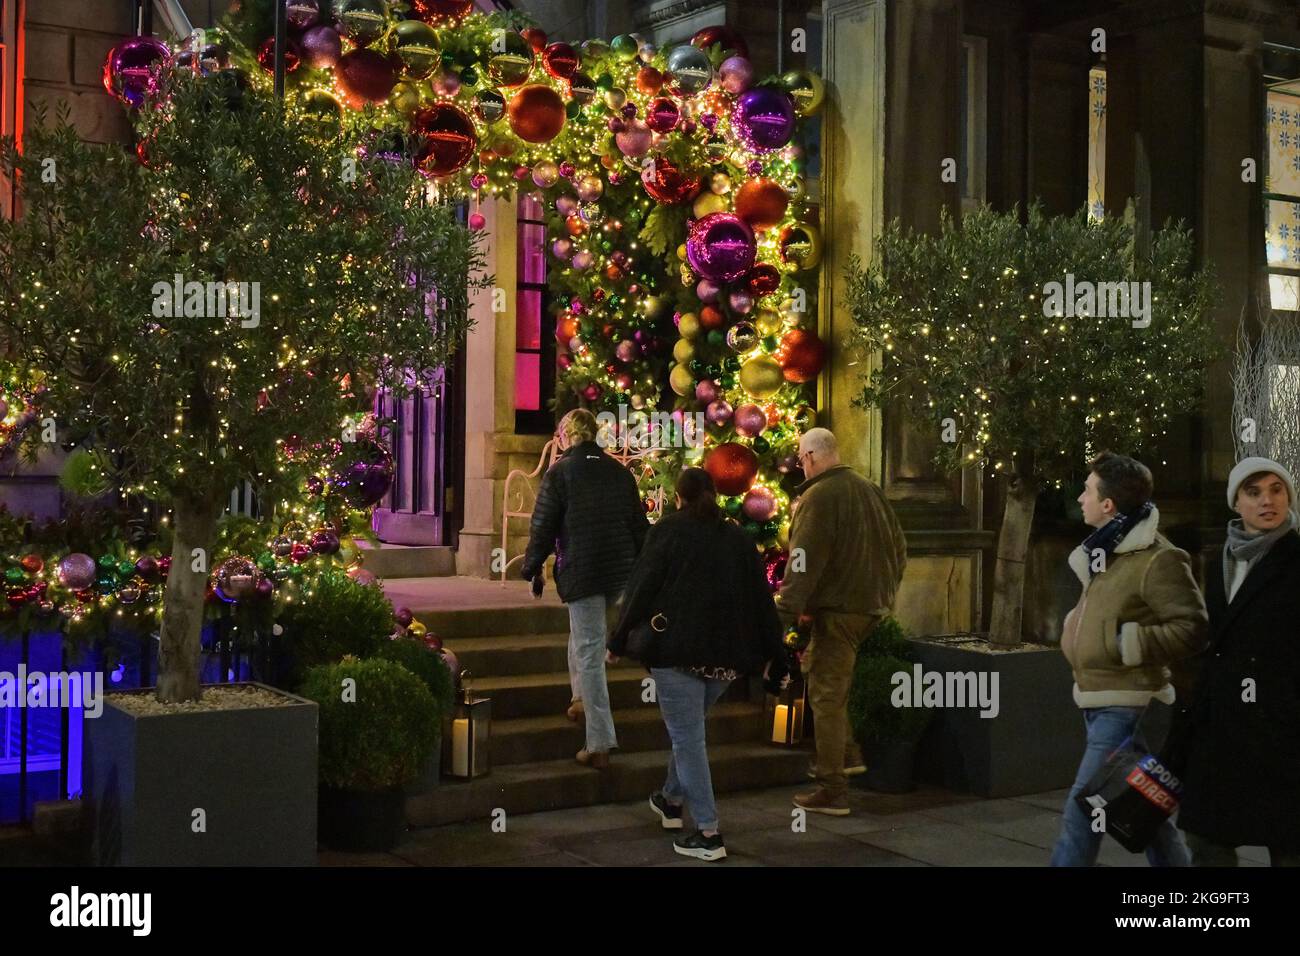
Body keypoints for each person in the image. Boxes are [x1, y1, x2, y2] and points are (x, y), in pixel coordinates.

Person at [610, 467, 785, 861]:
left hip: (677, 652)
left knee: (688, 738)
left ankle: (708, 832)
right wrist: (777, 652)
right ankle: (671, 800)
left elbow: (642, 587)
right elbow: (760, 599)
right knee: (688, 732)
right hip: (725, 660)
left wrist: (619, 638)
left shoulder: (668, 532)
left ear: (678, 498)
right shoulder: (739, 539)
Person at [1050, 452, 1209, 867]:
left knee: (1084, 810)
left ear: (1108, 505)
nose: (1080, 497)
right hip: (1099, 697)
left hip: (1127, 703)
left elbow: (1192, 627)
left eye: (1087, 489)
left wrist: (1128, 642)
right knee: (1142, 807)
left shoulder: (1158, 557)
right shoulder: (1108, 549)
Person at [777, 427, 907, 816]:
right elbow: (899, 547)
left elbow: (803, 560)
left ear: (812, 457)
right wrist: (883, 592)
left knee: (826, 695)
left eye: (801, 459)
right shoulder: (869, 489)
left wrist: (784, 612)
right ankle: (847, 754)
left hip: (838, 611)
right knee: (824, 674)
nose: (801, 466)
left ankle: (833, 788)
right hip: (870, 607)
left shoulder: (819, 496)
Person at [1176, 457, 1300, 866]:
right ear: (1236, 503)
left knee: (1288, 845)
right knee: (1205, 837)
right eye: (1254, 492)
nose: (1268, 500)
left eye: (1276, 489)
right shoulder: (1221, 561)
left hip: (1281, 729)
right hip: (1222, 726)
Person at [521, 408, 648, 769]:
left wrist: (532, 566)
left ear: (566, 436)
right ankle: (579, 699)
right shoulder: (620, 474)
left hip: (584, 571)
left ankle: (600, 742)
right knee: (584, 636)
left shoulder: (560, 473)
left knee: (590, 650)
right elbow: (638, 526)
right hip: (620, 573)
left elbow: (543, 525)